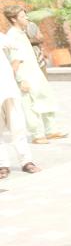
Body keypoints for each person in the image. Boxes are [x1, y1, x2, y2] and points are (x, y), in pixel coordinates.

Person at [2, 6, 65, 143]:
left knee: (46, 98)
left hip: (35, 71)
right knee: (30, 105)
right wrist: (20, 79)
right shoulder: (12, 36)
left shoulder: (22, 33)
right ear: (14, 19)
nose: (26, 18)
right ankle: (37, 135)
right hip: (25, 75)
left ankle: (51, 130)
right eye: (23, 17)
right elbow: (15, 60)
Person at [0, 31, 39, 178]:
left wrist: (14, 67)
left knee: (18, 127)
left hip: (8, 89)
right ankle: (2, 165)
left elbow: (19, 47)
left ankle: (26, 161)